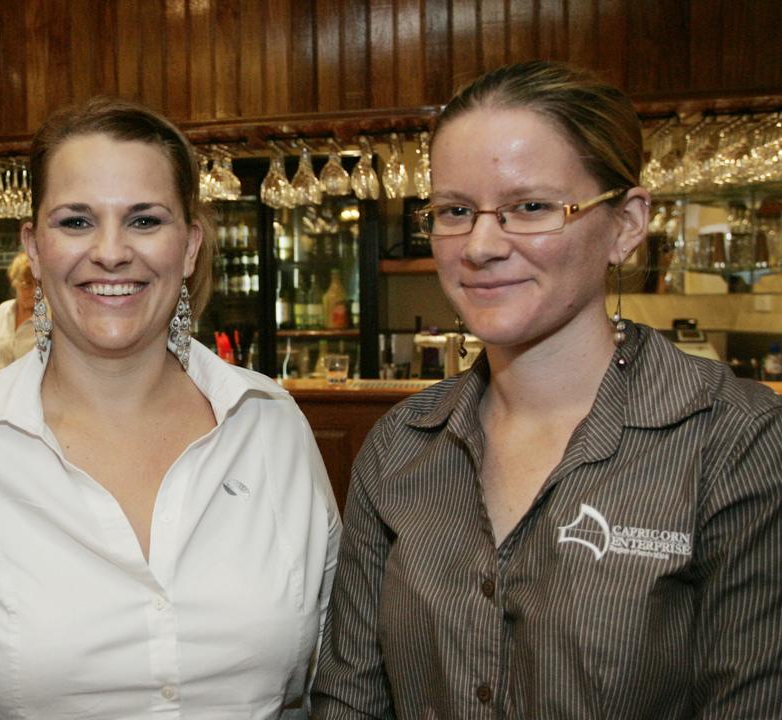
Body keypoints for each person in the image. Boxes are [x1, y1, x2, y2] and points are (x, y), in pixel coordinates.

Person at [312, 60, 782, 718]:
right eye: (454, 211)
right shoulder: (400, 446)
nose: (480, 245)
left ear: (625, 222)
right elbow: (350, 700)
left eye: (528, 207)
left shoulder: (732, 439)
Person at [0, 97, 340, 718]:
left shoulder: (271, 425)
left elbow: (330, 677)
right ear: (33, 247)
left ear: (191, 245)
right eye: (76, 222)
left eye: (145, 220)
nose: (112, 252)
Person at [0, 251, 37, 367]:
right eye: (28, 284)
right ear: (14, 282)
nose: (35, 291)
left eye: (39, 284)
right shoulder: (3, 311)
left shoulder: (51, 317)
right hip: (4, 382)